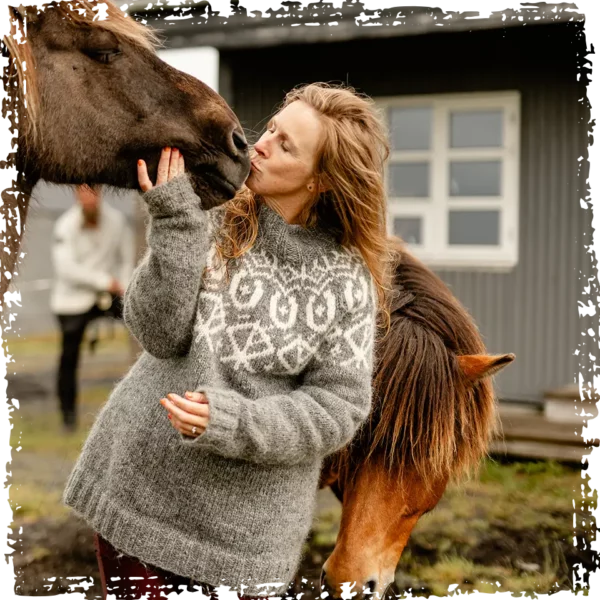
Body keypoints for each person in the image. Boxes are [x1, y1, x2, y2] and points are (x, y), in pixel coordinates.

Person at [63, 83, 394, 600]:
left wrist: (234, 421)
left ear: (324, 179)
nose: (260, 144)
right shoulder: (209, 214)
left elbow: (337, 408)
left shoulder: (348, 283)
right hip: (140, 489)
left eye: (286, 146)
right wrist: (175, 225)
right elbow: (158, 335)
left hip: (247, 536)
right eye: (273, 129)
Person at [50, 184, 134, 431]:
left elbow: (126, 259)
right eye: (83, 193)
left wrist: (125, 286)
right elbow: (66, 269)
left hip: (108, 296)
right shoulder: (64, 226)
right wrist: (103, 280)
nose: (89, 198)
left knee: (141, 322)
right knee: (68, 355)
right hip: (72, 300)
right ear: (77, 195)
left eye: (93, 193)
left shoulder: (117, 222)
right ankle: (68, 415)